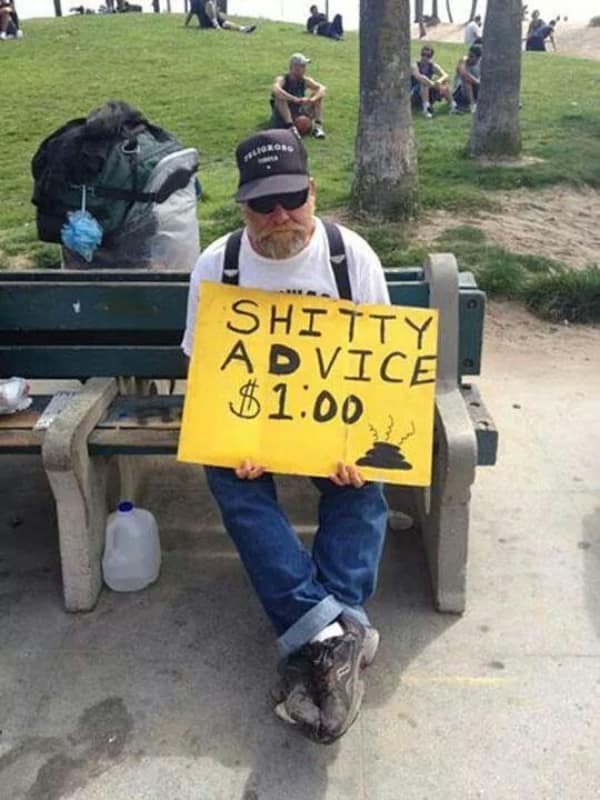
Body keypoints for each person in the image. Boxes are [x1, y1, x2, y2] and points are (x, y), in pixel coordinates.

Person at [181, 129, 390, 744]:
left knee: (361, 480)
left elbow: (380, 371)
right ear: (241, 206)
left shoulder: (351, 259)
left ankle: (318, 643)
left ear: (313, 191)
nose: (281, 216)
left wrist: (358, 443)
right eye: (262, 204)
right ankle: (337, 635)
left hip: (334, 426)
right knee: (225, 474)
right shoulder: (216, 266)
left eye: (293, 198)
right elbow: (207, 373)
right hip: (252, 427)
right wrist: (234, 436)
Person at [271, 53, 327, 139]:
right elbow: (276, 90)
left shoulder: (304, 80)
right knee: (279, 98)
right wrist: (294, 99)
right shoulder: (283, 79)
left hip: (299, 111)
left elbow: (322, 88)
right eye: (303, 66)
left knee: (318, 96)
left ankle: (318, 127)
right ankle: (290, 127)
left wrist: (312, 100)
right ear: (294, 67)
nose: (305, 69)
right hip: (284, 114)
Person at [410, 46, 450, 119]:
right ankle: (426, 109)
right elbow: (418, 77)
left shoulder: (432, 66)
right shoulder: (414, 65)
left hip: (427, 92)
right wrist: (433, 84)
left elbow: (445, 75)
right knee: (424, 83)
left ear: (431, 57)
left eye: (428, 56)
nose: (424, 57)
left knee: (444, 85)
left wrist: (439, 81)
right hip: (413, 93)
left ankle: (452, 105)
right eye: (423, 54)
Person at [184, 0, 256, 33]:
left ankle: (243, 29)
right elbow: (191, 13)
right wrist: (186, 24)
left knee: (226, 23)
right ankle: (216, 26)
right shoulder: (196, 2)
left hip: (216, 18)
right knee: (209, 4)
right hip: (206, 22)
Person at [451, 44, 481, 114]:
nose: (469, 58)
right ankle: (472, 105)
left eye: (471, 56)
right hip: (460, 91)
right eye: (469, 55)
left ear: (478, 58)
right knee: (466, 80)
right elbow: (463, 74)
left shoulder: (481, 63)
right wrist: (477, 82)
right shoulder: (463, 61)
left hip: (476, 87)